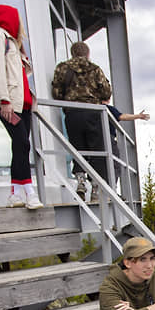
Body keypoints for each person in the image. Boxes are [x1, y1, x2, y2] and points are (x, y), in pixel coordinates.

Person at [0, 4, 43, 210]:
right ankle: (30, 192)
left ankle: (15, 194)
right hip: (9, 103)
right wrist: (4, 100)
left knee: (20, 145)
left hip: (22, 102)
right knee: (22, 143)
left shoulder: (12, 42)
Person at [51, 41, 111, 202]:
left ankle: (81, 182)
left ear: (72, 53)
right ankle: (97, 189)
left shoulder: (62, 68)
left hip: (73, 113)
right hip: (93, 113)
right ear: (87, 54)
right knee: (98, 151)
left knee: (78, 149)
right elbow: (106, 92)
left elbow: (56, 92)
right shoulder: (95, 69)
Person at [103, 101, 149, 192]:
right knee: (114, 164)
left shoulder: (90, 108)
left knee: (97, 162)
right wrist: (138, 116)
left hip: (93, 139)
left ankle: (96, 188)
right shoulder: (107, 108)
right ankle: (111, 189)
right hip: (108, 139)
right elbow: (121, 116)